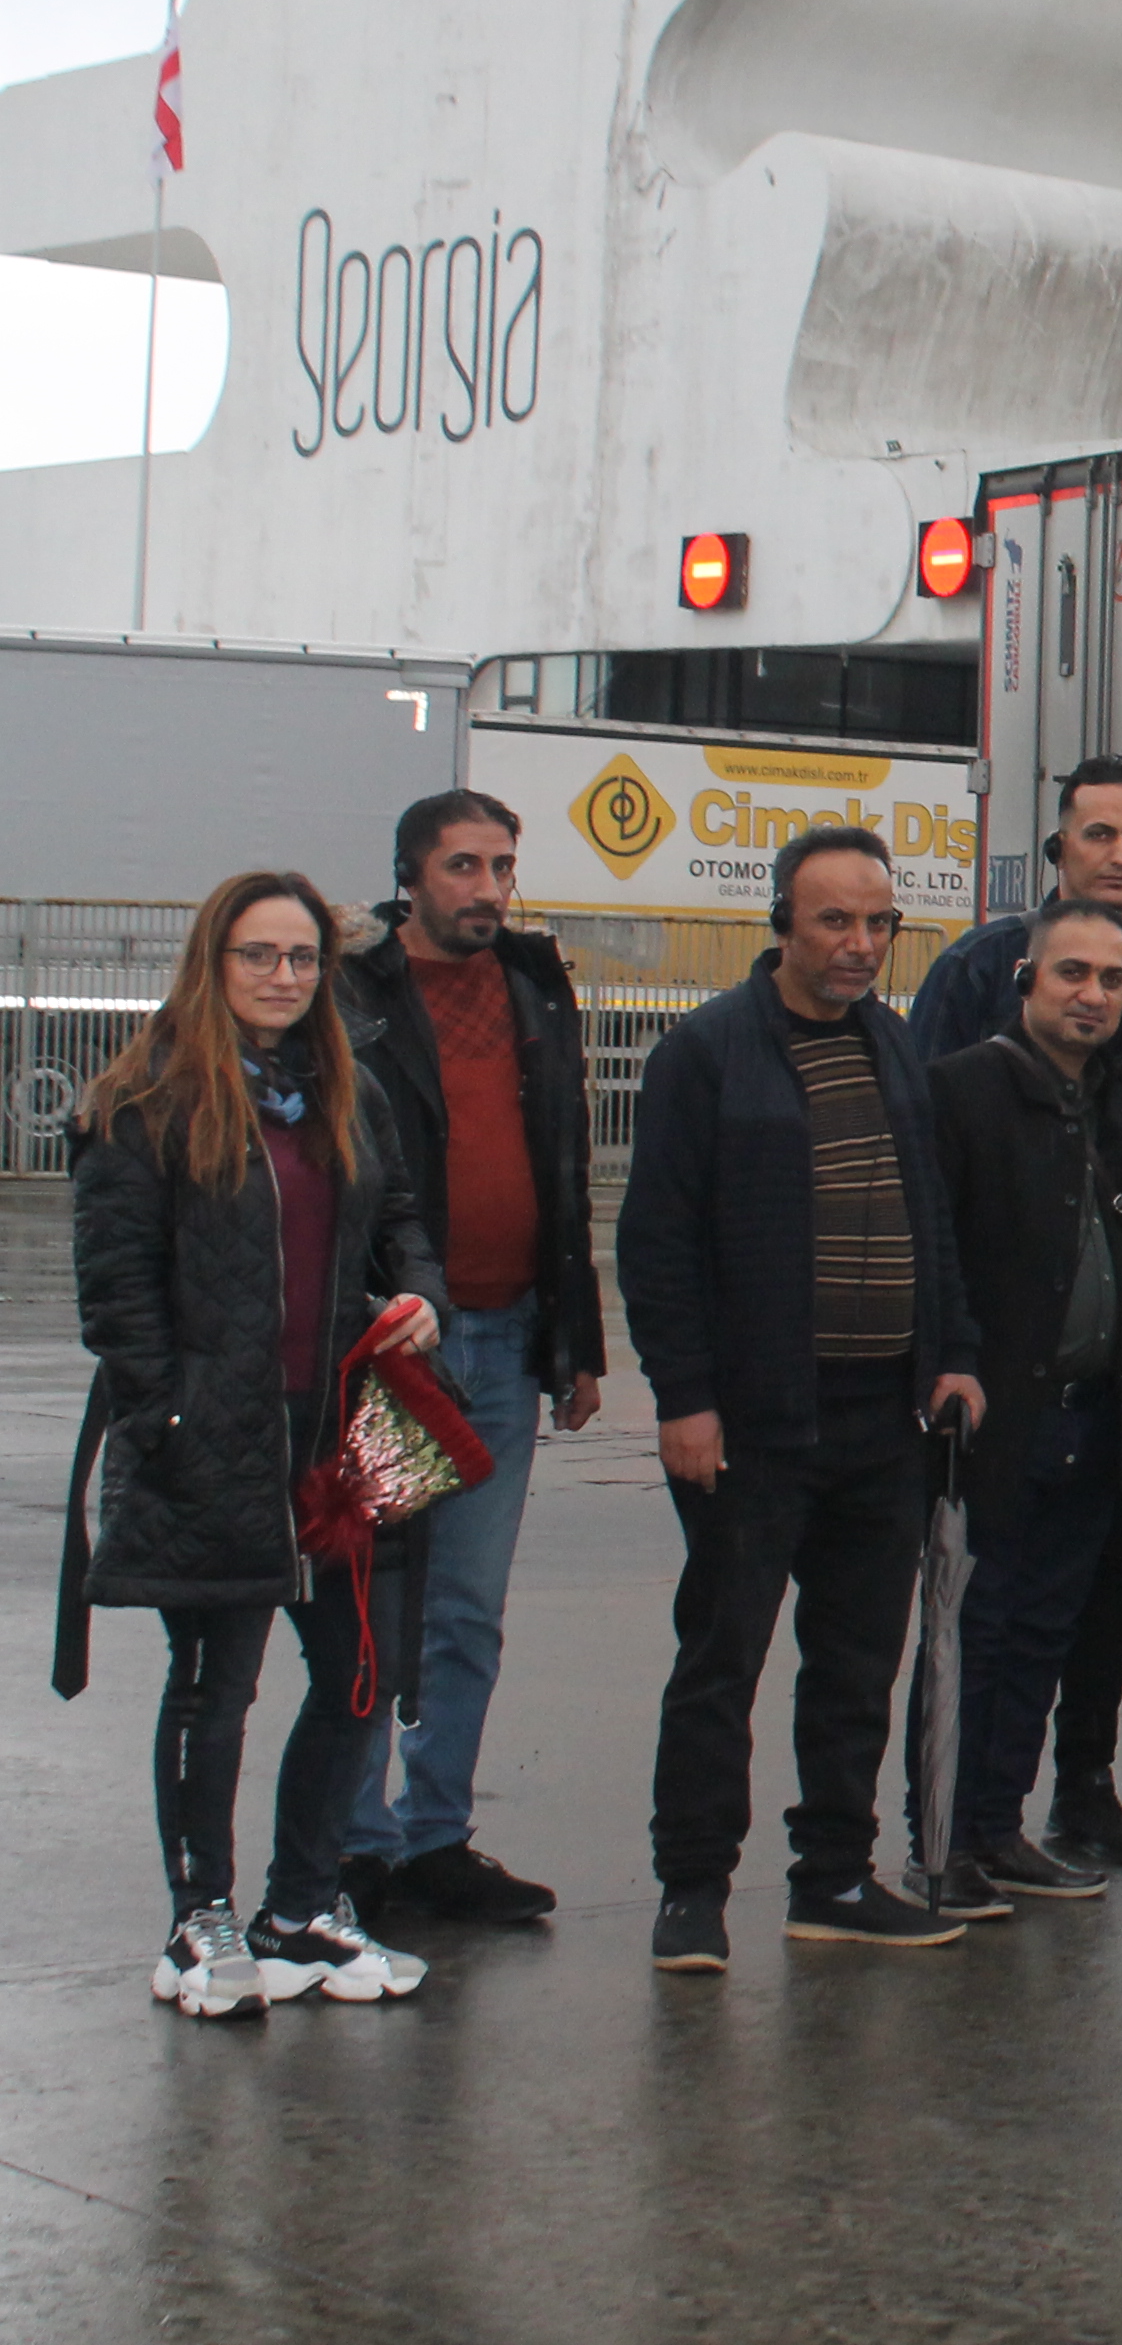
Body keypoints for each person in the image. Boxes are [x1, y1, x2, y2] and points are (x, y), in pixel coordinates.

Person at [61, 870, 450, 2019]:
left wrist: (419, 1294)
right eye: (258, 955)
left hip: (346, 1433)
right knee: (213, 1686)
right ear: (211, 961)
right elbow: (116, 1297)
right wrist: (170, 1416)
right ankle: (201, 1920)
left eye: (301, 958)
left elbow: (402, 1225)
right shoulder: (144, 1103)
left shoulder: (348, 1091)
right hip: (214, 1440)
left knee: (357, 1673)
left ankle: (304, 1908)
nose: (283, 977)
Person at [630, 828, 980, 1971]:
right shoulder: (709, 1053)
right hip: (756, 1422)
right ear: (780, 923)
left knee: (855, 1665)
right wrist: (686, 1396)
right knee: (722, 1659)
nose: (861, 944)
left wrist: (953, 1352)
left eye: (879, 922)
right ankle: (692, 1890)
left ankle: (832, 1874)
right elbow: (659, 1240)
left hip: (884, 1422)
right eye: (835, 920)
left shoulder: (892, 1043)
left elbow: (932, 1216)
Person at [909, 756, 1122, 1875]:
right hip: (1003, 1361)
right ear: (1058, 849)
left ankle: (1066, 1792)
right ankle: (956, 1836)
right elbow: (932, 1173)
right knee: (982, 1610)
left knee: (1087, 1589)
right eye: (1099, 834)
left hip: (1114, 1371)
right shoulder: (972, 986)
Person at [336, 792, 604, 1929]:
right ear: (410, 875)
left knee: (466, 1611)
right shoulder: (355, 996)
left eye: (501, 865)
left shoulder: (536, 984)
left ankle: (434, 1838)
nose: (488, 888)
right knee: (374, 1605)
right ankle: (355, 1850)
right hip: (396, 1352)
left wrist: (577, 1339)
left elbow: (567, 1163)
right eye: (462, 866)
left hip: (509, 1334)